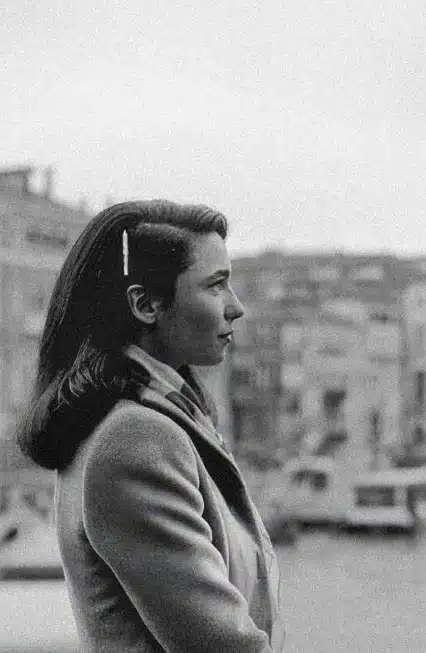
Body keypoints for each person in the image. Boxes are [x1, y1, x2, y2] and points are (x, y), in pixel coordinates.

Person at [18, 200, 283, 652]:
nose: (236, 307)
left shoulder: (155, 419)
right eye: (215, 285)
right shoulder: (135, 438)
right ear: (145, 304)